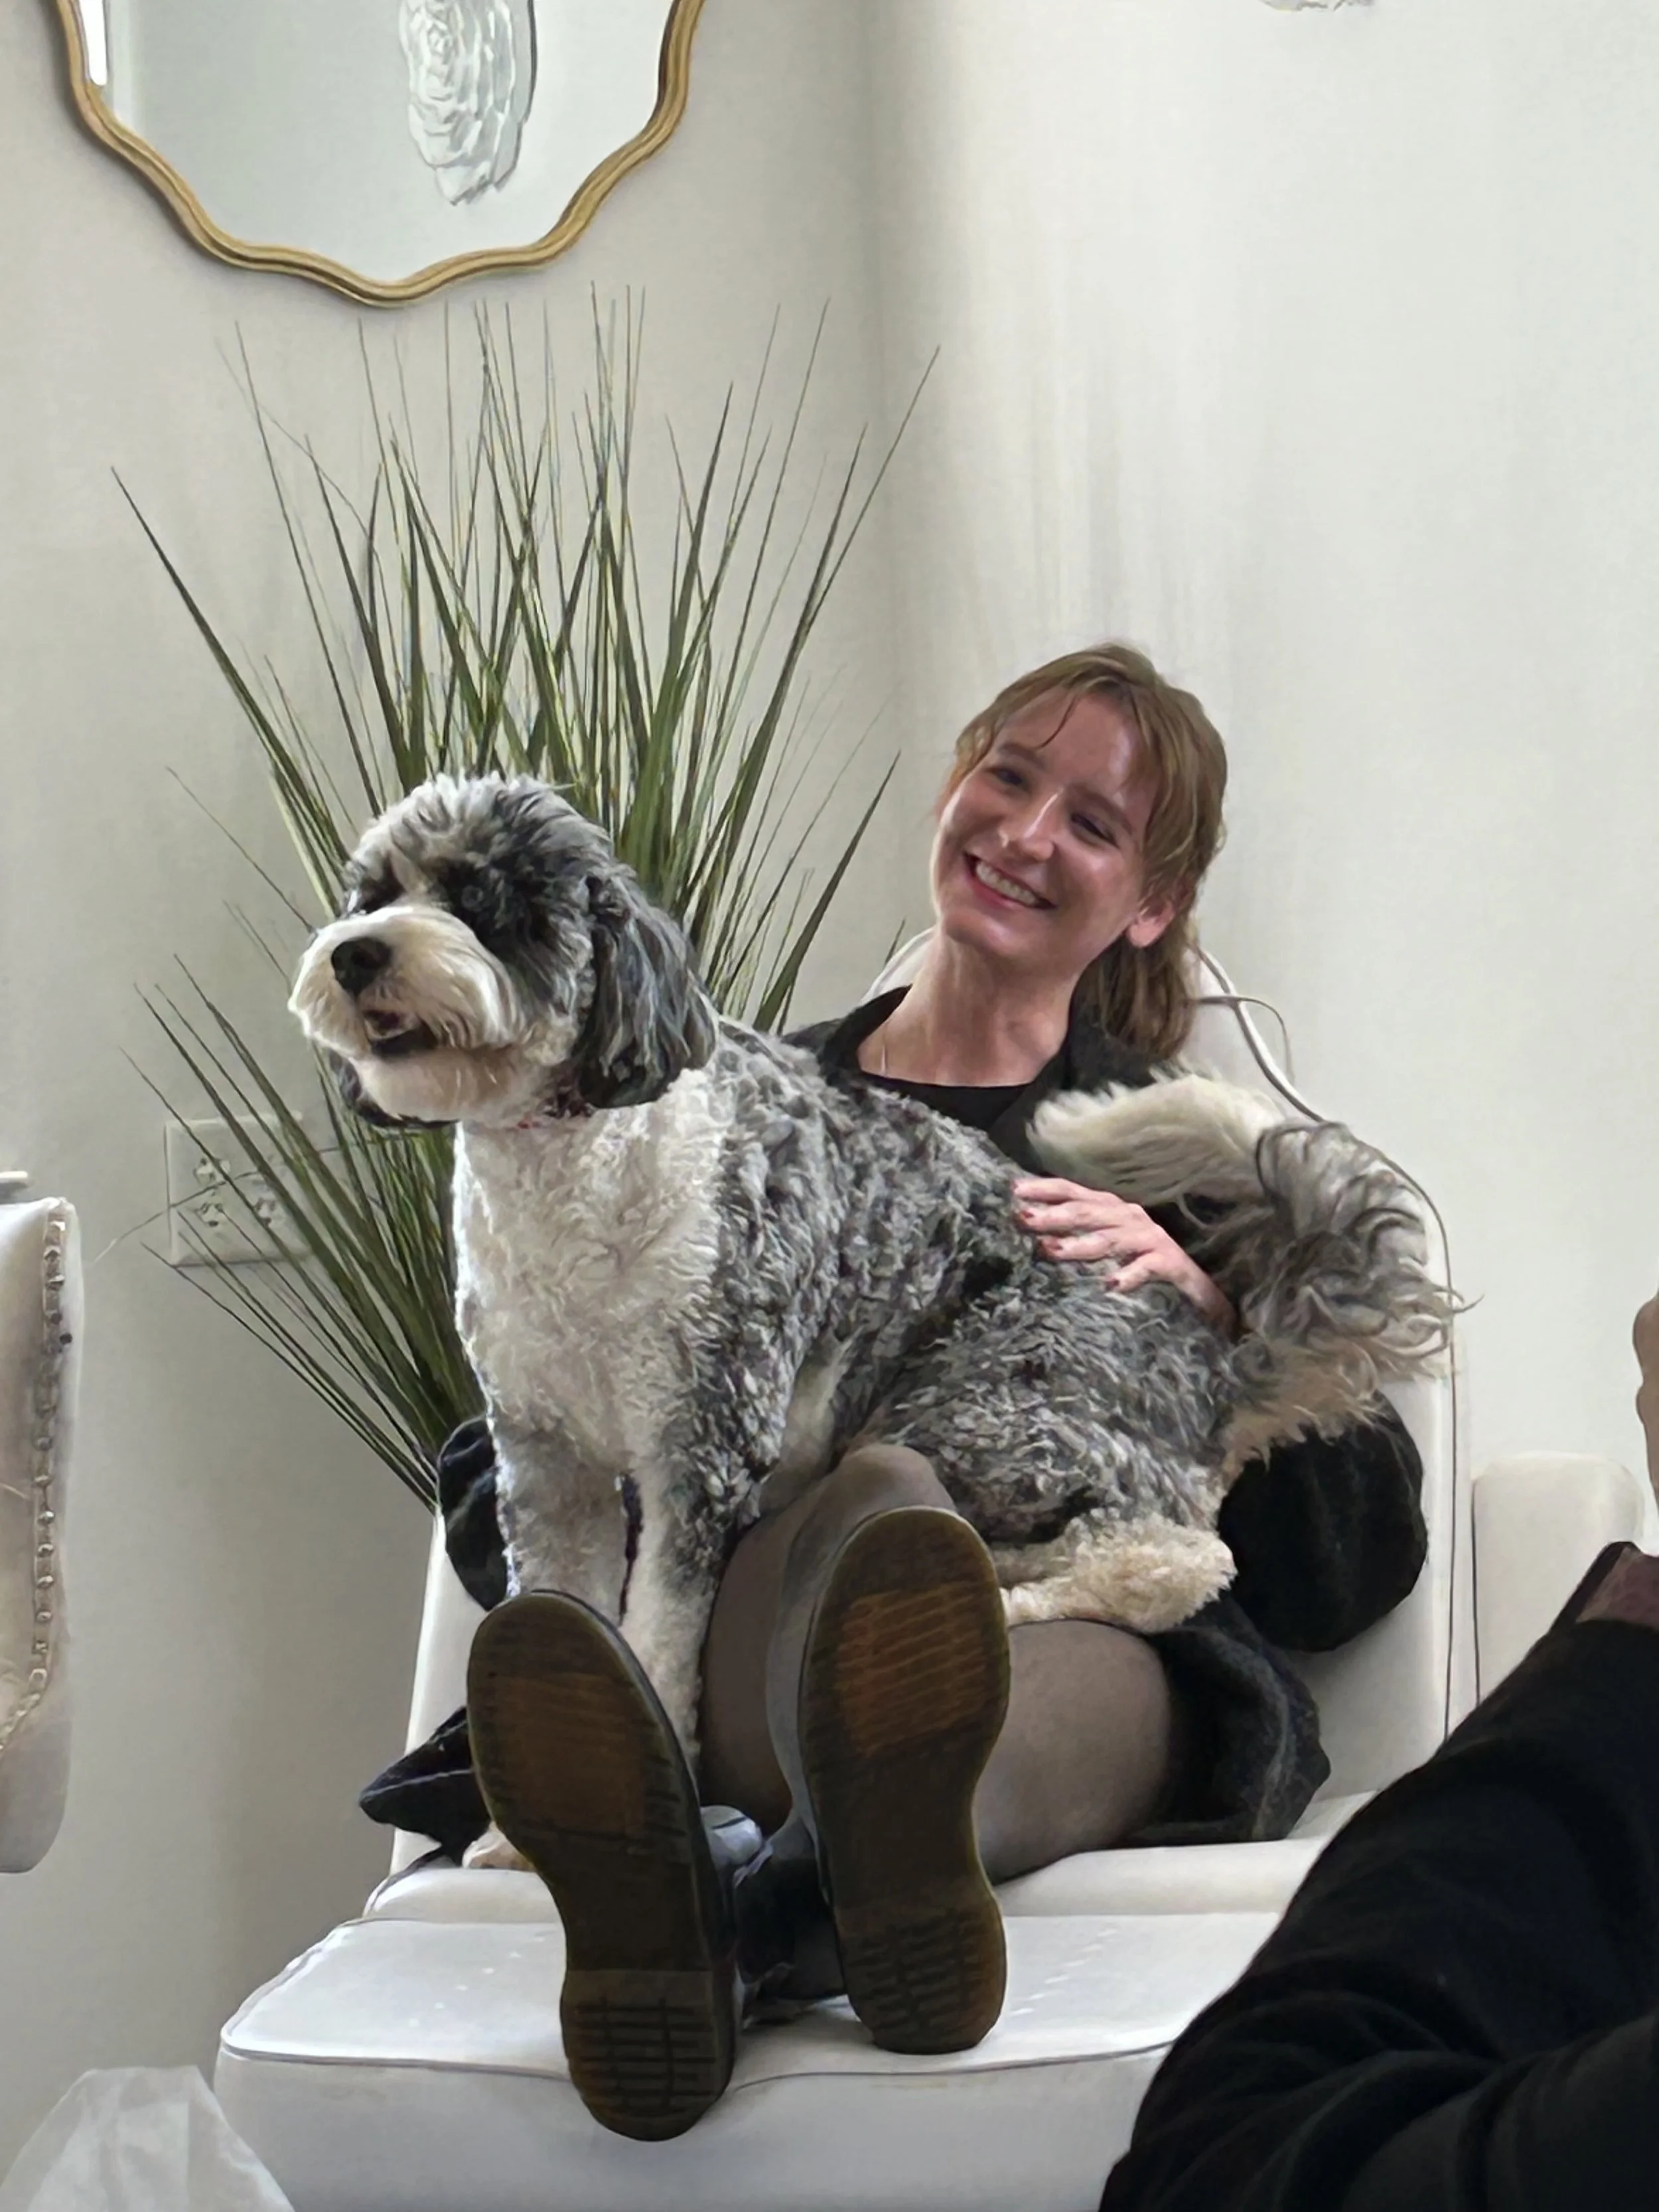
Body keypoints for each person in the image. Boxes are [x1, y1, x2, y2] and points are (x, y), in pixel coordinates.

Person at [362, 642, 1427, 2140]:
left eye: (1092, 822)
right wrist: (628, 1501)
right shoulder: (696, 1098)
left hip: (1077, 1632)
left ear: (1151, 902)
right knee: (858, 1544)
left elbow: (1361, 1557)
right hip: (758, 1626)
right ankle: (792, 1883)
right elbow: (516, 1441)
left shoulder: (1174, 1181)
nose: (1023, 833)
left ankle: (733, 1923)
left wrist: (1210, 1296)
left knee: (940, 1605)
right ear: (951, 788)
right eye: (1005, 776)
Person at [1098, 1306, 1659, 2212]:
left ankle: (832, 1867)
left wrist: (1228, 1327)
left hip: (1113, 1650)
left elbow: (1348, 1565)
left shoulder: (1199, 1231)